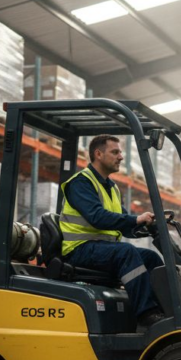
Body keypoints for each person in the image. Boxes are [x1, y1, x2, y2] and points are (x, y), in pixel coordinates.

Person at [59, 134, 166, 328]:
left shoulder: (112, 188)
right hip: (79, 250)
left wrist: (145, 224)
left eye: (120, 152)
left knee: (151, 258)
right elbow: (97, 217)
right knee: (127, 252)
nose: (120, 157)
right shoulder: (81, 182)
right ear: (98, 154)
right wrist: (135, 219)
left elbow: (123, 224)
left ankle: (164, 311)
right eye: (115, 152)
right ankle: (146, 314)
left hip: (101, 249)